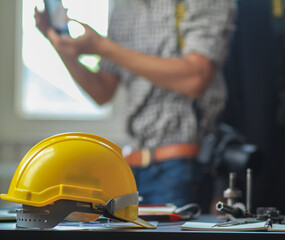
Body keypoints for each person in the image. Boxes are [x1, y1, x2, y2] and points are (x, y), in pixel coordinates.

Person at [35, 0, 236, 207]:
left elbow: (195, 78)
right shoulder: (124, 7)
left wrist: (103, 47)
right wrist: (60, 46)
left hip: (181, 166)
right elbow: (101, 91)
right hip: (131, 168)